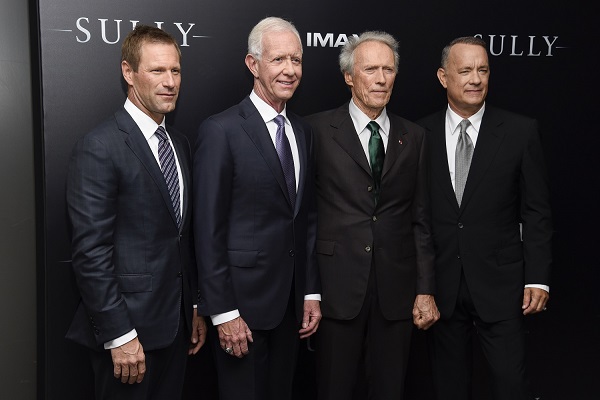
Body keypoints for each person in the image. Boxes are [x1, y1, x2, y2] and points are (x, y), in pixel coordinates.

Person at [65, 25, 206, 399]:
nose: (170, 82)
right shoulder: (99, 146)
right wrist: (119, 335)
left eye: (175, 70)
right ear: (128, 73)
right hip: (129, 338)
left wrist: (192, 305)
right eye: (157, 70)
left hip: (176, 329)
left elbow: (180, 236)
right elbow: (90, 254)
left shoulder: (179, 143)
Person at [193, 16, 321, 400]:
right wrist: (223, 312)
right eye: (278, 59)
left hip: (290, 310)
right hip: (241, 311)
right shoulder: (221, 130)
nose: (290, 70)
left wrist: (310, 292)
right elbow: (207, 230)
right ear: (253, 64)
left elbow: (306, 219)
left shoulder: (303, 132)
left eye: (296, 60)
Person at [306, 31, 439, 400]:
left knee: (389, 389)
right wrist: (308, 289)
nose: (381, 79)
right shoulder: (315, 131)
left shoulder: (415, 136)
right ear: (349, 77)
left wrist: (425, 289)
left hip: (396, 292)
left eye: (388, 69)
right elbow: (305, 217)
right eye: (370, 70)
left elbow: (421, 220)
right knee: (333, 388)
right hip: (336, 289)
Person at [418, 36, 552, 399]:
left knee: (511, 385)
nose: (476, 79)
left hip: (502, 286)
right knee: (448, 388)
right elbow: (416, 217)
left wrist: (538, 278)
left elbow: (536, 211)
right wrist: (420, 285)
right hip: (442, 288)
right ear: (443, 77)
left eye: (483, 70)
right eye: (465, 71)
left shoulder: (520, 131)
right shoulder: (418, 135)